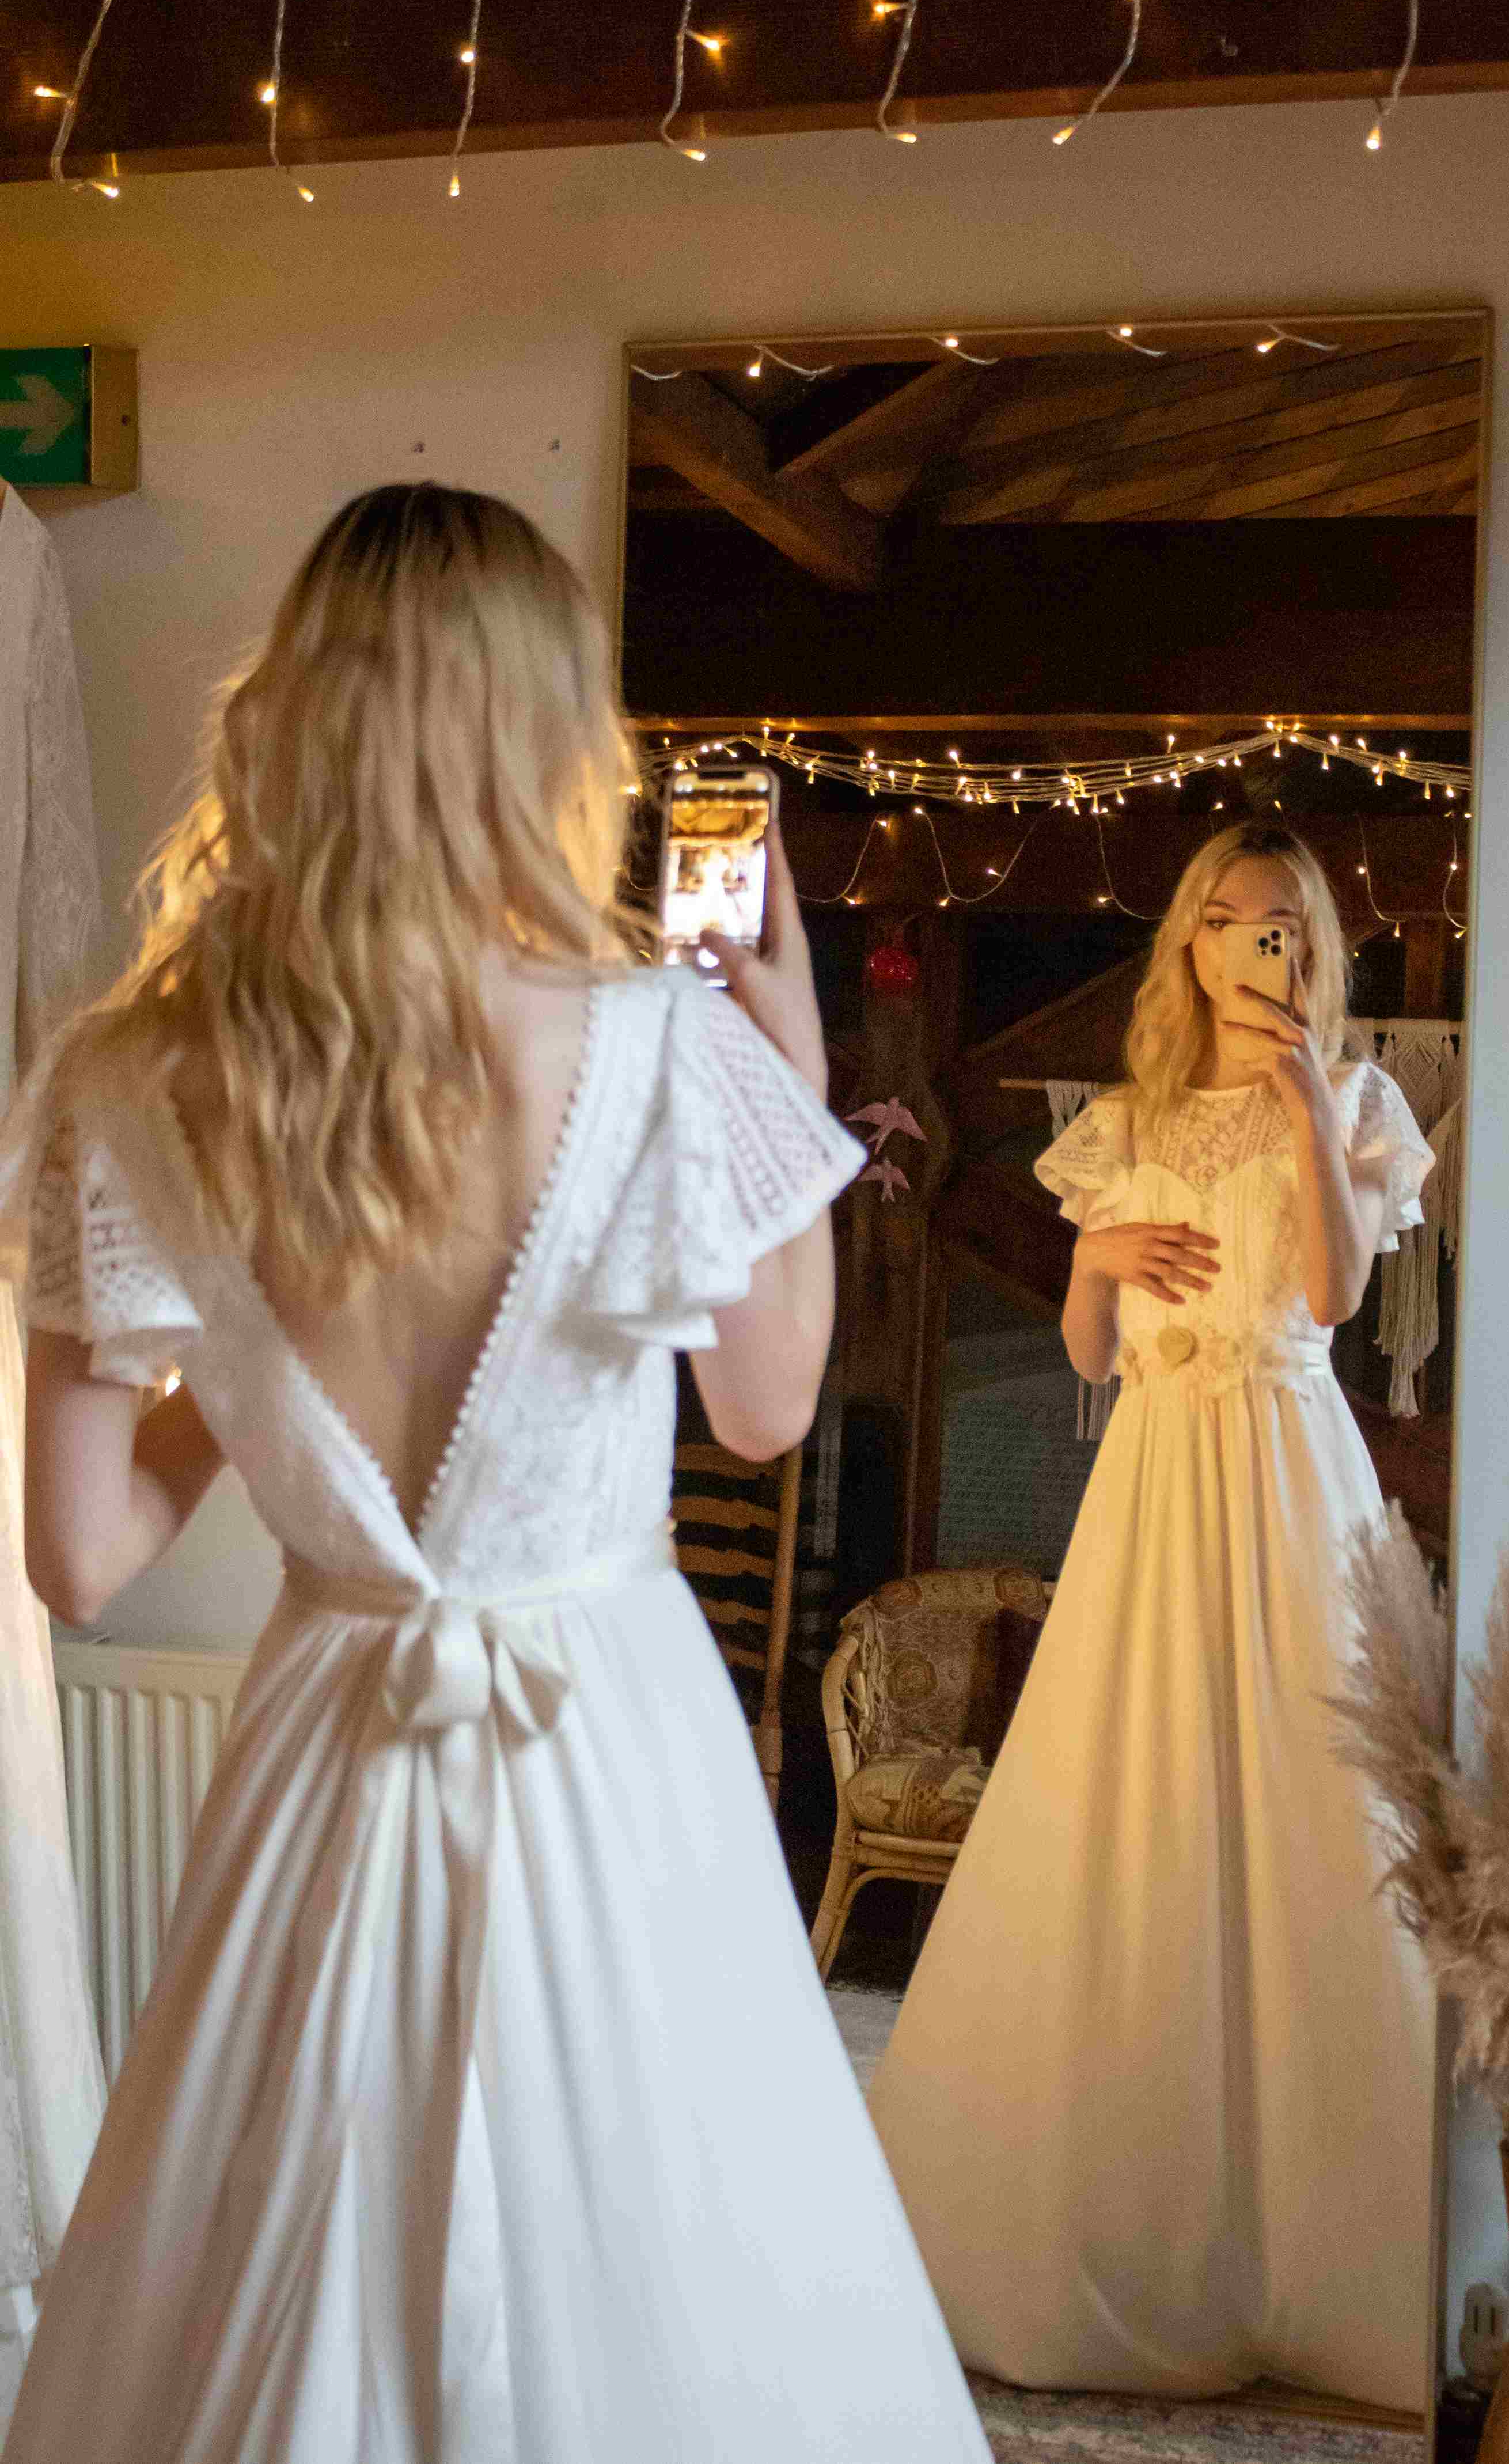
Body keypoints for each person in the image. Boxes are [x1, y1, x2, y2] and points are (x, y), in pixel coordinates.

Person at [0, 484, 994, 2464]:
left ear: (294, 719)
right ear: (550, 733)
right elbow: (772, 1410)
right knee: (690, 2280)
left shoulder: (126, 1078)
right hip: (607, 1752)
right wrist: (786, 1078)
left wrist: (267, 1383)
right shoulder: (659, 1046)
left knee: (273, 2273)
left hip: (318, 1754)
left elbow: (82, 1551)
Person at [867, 820, 1438, 2412]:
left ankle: (1324, 2248)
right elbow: (1095, 1356)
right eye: (1233, 922)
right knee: (1137, 1809)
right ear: (1188, 945)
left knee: (1316, 1810)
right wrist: (1097, 1256)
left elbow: (1330, 1295)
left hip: (1291, 1473)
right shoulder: (1125, 1125)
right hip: (1157, 1485)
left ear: (1317, 956)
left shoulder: (1361, 1103)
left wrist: (1314, 1103)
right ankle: (1126, 2219)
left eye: (1291, 929)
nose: (1263, 950)